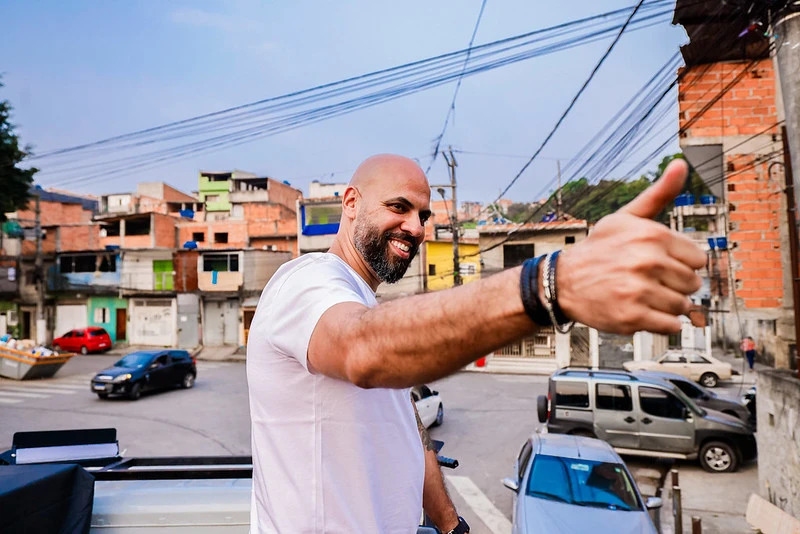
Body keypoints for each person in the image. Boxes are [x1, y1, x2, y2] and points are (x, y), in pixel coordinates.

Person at [246, 154, 706, 533]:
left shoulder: (360, 300)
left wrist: (451, 525)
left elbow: (404, 424)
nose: (415, 226)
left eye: (423, 215)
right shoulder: (307, 281)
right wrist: (549, 285)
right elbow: (361, 349)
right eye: (398, 207)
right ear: (350, 201)